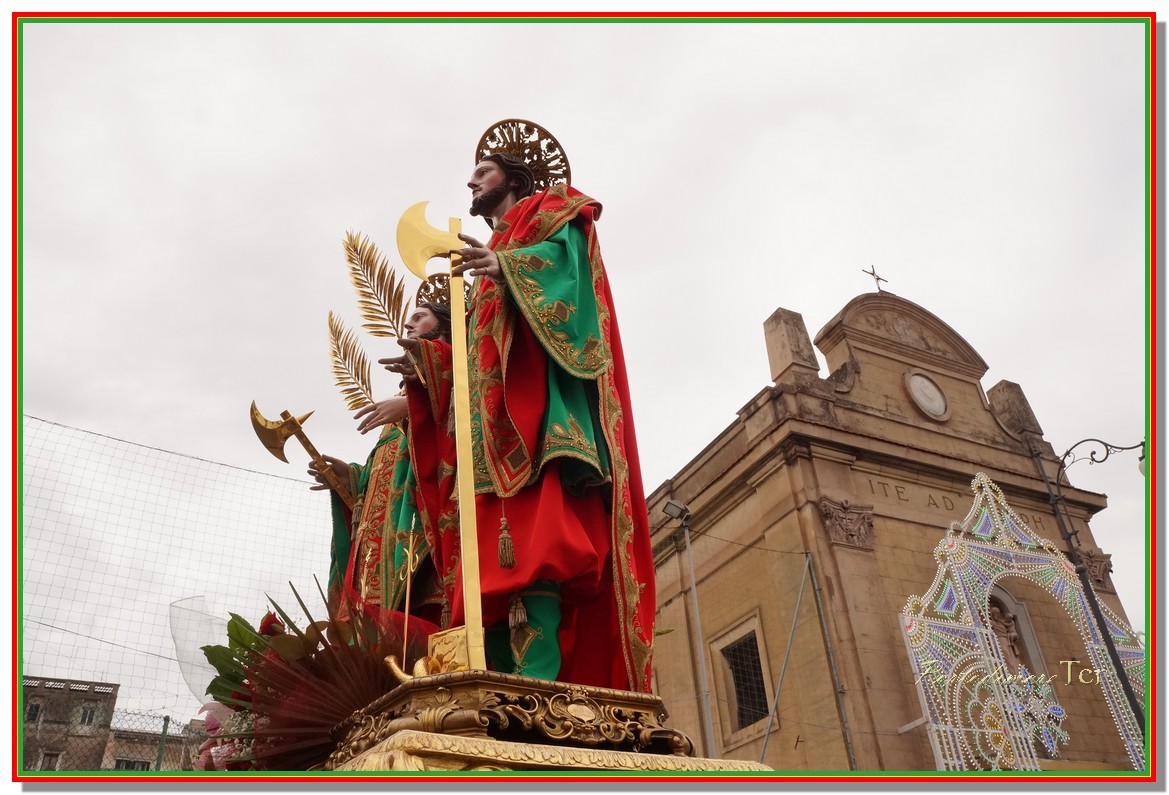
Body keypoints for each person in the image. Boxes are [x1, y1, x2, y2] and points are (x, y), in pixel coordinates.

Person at [381, 123, 656, 693]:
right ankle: (500, 684)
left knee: (538, 552)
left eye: (482, 172)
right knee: (489, 570)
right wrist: (425, 372)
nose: (471, 182)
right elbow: (472, 360)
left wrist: (510, 266)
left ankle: (535, 689)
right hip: (484, 442)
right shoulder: (485, 262)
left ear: (513, 175)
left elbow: (568, 269)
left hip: (535, 426)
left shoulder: (548, 211)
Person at [310, 303, 451, 628]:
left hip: (422, 542)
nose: (408, 324)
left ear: (444, 325)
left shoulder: (457, 372)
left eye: (419, 317)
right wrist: (352, 477)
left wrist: (413, 405)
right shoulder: (402, 395)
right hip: (382, 548)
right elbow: (390, 471)